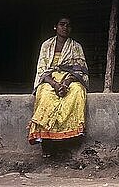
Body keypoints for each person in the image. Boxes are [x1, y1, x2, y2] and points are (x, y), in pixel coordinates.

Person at [28, 17, 88, 157]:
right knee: (45, 96)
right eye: (62, 24)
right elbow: (42, 69)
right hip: (50, 79)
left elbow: (81, 70)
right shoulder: (46, 45)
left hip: (70, 79)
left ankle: (66, 141)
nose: (65, 27)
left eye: (68, 25)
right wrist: (55, 84)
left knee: (77, 92)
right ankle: (47, 143)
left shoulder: (76, 47)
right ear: (55, 26)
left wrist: (66, 83)